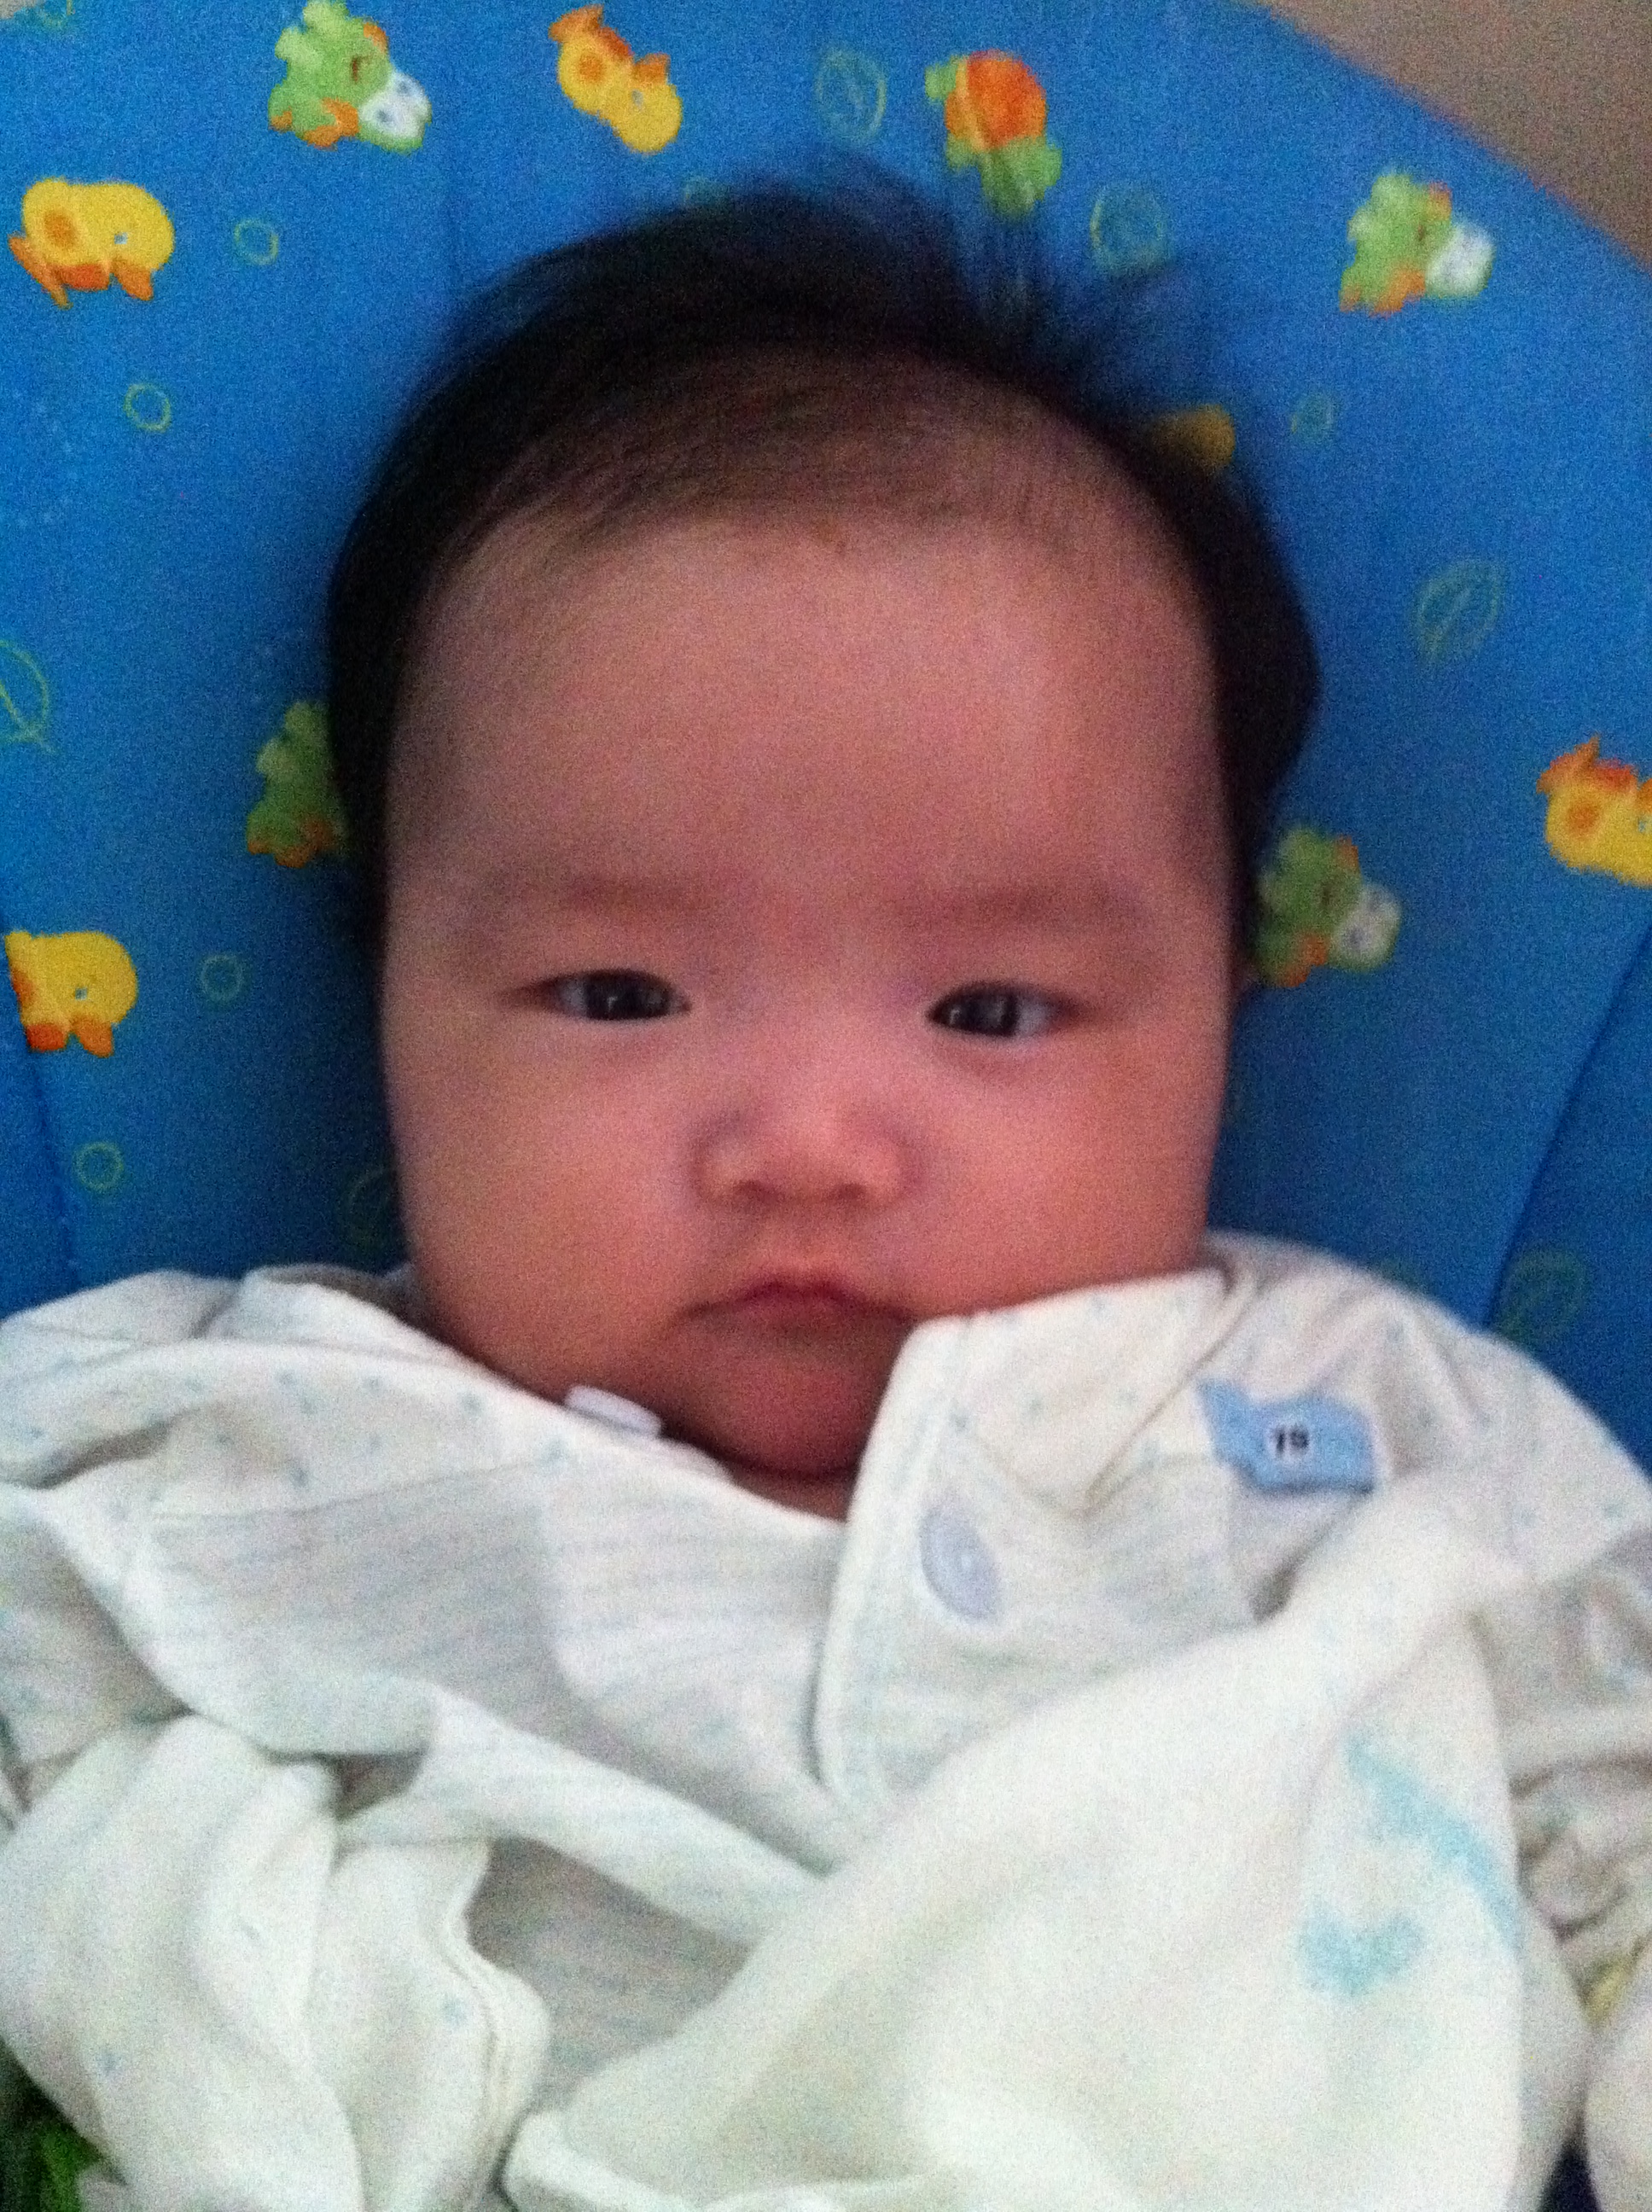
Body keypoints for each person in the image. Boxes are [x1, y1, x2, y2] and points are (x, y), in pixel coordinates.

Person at [2, 183, 1650, 2212]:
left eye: (988, 1010)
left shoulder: (1377, 1431)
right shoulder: (250, 1440)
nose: (804, 1143)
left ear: (1221, 1014)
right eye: (619, 995)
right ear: (392, 1000)